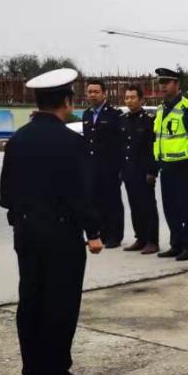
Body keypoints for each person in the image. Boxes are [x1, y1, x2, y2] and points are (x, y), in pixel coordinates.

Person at [0, 68, 103, 375]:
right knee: (61, 302)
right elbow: (80, 193)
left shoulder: (17, 140)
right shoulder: (71, 142)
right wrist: (93, 232)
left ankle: (32, 373)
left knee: (31, 300)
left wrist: (22, 221)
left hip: (26, 231)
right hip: (61, 234)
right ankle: (55, 374)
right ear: (67, 101)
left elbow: (6, 195)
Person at [151, 67, 188, 261]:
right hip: (166, 165)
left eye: (166, 83)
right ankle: (176, 244)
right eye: (160, 83)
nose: (162, 86)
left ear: (177, 84)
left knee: (186, 208)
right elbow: (158, 138)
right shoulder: (161, 108)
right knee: (170, 207)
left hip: (183, 165)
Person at [81, 79, 124, 248]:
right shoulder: (86, 114)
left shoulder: (114, 114)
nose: (92, 95)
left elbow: (120, 142)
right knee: (95, 202)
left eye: (96, 92)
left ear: (104, 94)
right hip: (92, 167)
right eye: (90, 92)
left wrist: (119, 167)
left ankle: (115, 236)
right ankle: (101, 235)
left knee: (112, 202)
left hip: (110, 167)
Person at [120, 85, 159, 254]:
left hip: (144, 171)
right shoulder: (123, 119)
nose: (129, 100)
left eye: (132, 97)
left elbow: (153, 147)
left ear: (141, 100)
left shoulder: (149, 120)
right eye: (127, 98)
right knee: (134, 205)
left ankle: (152, 241)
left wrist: (152, 171)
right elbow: (122, 147)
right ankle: (140, 238)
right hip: (129, 170)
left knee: (148, 206)